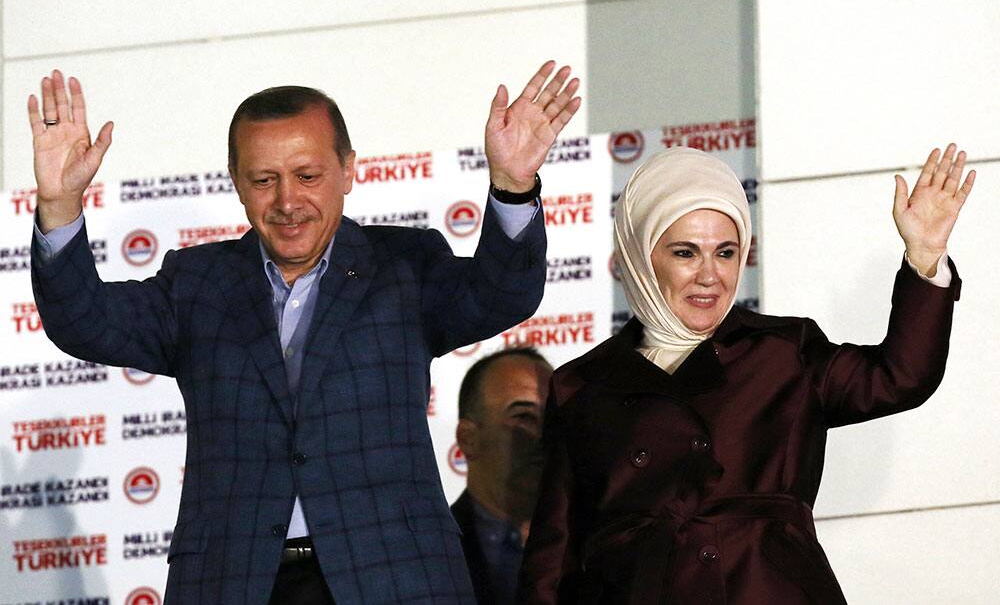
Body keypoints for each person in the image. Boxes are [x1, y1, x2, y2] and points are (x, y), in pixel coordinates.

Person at [28, 62, 580, 605]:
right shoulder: (197, 285)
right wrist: (59, 204)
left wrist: (511, 187)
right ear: (237, 184)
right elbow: (84, 321)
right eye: (264, 180)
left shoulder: (404, 267)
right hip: (233, 580)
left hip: (394, 576)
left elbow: (502, 294)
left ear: (349, 170)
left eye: (308, 176)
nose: (287, 202)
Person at [518, 146, 973, 604]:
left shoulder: (783, 352)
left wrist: (925, 257)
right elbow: (551, 562)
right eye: (685, 252)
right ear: (639, 255)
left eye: (726, 252)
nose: (710, 275)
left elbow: (902, 375)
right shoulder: (582, 386)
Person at [451, 348, 554, 605]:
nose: (545, 435)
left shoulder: (602, 543)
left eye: (555, 417)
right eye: (523, 416)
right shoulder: (429, 551)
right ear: (468, 439)